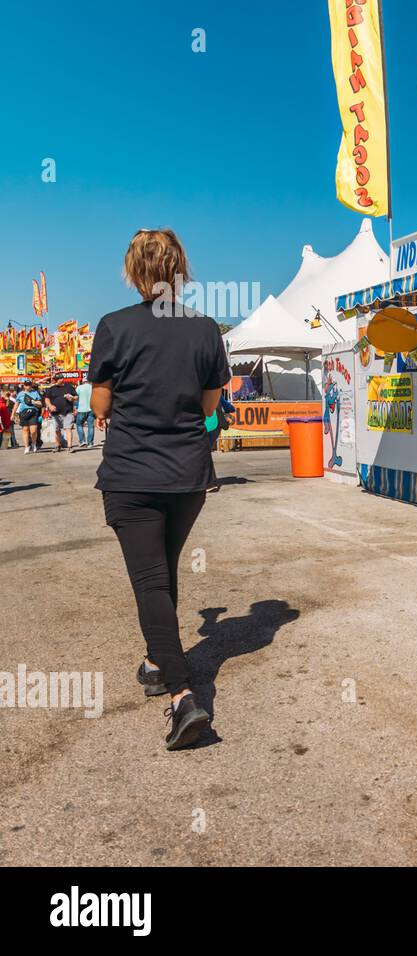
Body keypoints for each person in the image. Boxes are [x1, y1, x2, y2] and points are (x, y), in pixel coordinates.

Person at [90, 228, 230, 751]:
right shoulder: (204, 329)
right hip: (187, 475)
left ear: (134, 271)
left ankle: (182, 697)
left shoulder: (114, 326)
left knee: (150, 581)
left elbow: (101, 408)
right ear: (180, 269)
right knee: (163, 571)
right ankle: (156, 661)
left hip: (132, 473)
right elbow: (210, 404)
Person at [43, 378, 77, 451]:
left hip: (67, 412)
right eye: (55, 380)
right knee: (57, 430)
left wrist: (72, 398)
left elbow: (76, 396)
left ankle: (69, 446)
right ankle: (58, 445)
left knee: (68, 428)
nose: (55, 381)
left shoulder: (69, 387)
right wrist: (50, 406)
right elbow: (47, 399)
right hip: (56, 413)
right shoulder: (51, 389)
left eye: (57, 380)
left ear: (61, 379)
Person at [15, 381, 43, 453]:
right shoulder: (20, 394)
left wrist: (35, 402)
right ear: (24, 386)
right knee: (25, 430)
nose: (28, 386)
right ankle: (27, 446)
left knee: (33, 431)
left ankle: (33, 444)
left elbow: (40, 404)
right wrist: (13, 414)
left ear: (31, 385)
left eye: (29, 385)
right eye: (26, 385)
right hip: (24, 413)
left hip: (33, 413)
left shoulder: (35, 393)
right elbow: (16, 404)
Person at [74, 378, 95, 449]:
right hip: (91, 409)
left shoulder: (79, 387)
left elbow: (75, 397)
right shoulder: (92, 387)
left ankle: (82, 441)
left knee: (79, 424)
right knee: (91, 426)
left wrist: (75, 407)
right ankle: (90, 443)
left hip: (81, 409)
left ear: (82, 382)